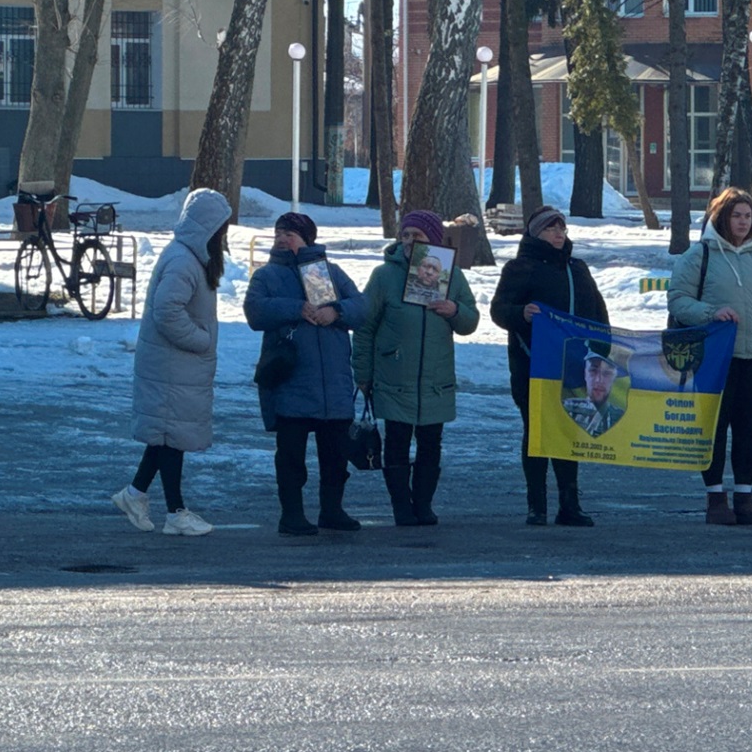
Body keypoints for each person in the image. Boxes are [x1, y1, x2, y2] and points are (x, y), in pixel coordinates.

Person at [668, 187, 752, 526]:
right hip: (716, 357)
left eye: (747, 215)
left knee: (747, 428)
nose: (742, 221)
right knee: (715, 428)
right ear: (720, 218)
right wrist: (710, 312)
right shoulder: (700, 256)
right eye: (736, 215)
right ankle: (715, 499)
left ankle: (745, 498)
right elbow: (678, 300)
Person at [113, 187, 232, 536]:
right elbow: (167, 310)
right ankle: (176, 512)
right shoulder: (183, 260)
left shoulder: (189, 257)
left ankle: (136, 494)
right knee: (170, 438)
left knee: (168, 437)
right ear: (209, 228)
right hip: (172, 365)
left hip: (175, 367)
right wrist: (201, 339)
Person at [242, 212, 368, 536]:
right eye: (279, 233)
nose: (283, 238)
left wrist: (336, 311)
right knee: (291, 458)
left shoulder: (331, 273)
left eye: (291, 234)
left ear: (307, 239)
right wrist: (295, 308)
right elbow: (255, 312)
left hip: (334, 386)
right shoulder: (266, 275)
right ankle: (292, 514)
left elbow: (362, 308)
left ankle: (332, 510)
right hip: (292, 383)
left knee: (335, 458)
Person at [352, 209, 480, 526]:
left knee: (430, 444)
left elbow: (471, 321)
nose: (410, 241)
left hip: (435, 378)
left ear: (433, 241)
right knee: (396, 443)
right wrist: (363, 374)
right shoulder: (384, 277)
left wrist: (454, 310)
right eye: (405, 235)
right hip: (395, 376)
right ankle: (401, 507)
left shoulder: (452, 276)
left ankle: (423, 504)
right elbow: (365, 328)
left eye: (417, 236)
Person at [491, 204, 611, 526]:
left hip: (574, 368)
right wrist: (522, 314)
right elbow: (499, 310)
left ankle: (569, 504)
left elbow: (598, 314)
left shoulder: (578, 269)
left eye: (562, 228)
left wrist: (602, 351)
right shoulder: (521, 268)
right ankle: (536, 505)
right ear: (535, 233)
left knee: (569, 431)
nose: (558, 234)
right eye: (551, 228)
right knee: (538, 433)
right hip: (532, 367)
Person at [564, 343, 629, 438]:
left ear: (614, 378)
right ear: (585, 374)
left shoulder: (623, 418)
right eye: (593, 371)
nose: (599, 380)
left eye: (607, 373)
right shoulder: (567, 409)